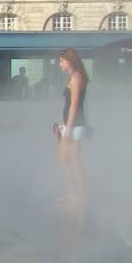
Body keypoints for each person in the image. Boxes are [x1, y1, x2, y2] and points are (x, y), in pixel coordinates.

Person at [54, 47, 89, 205]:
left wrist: (68, 128)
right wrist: (64, 124)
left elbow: (74, 104)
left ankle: (79, 196)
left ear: (69, 61)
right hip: (72, 125)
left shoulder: (76, 78)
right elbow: (70, 106)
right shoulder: (74, 77)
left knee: (73, 161)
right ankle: (72, 193)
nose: (60, 64)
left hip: (75, 126)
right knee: (66, 160)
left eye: (61, 61)